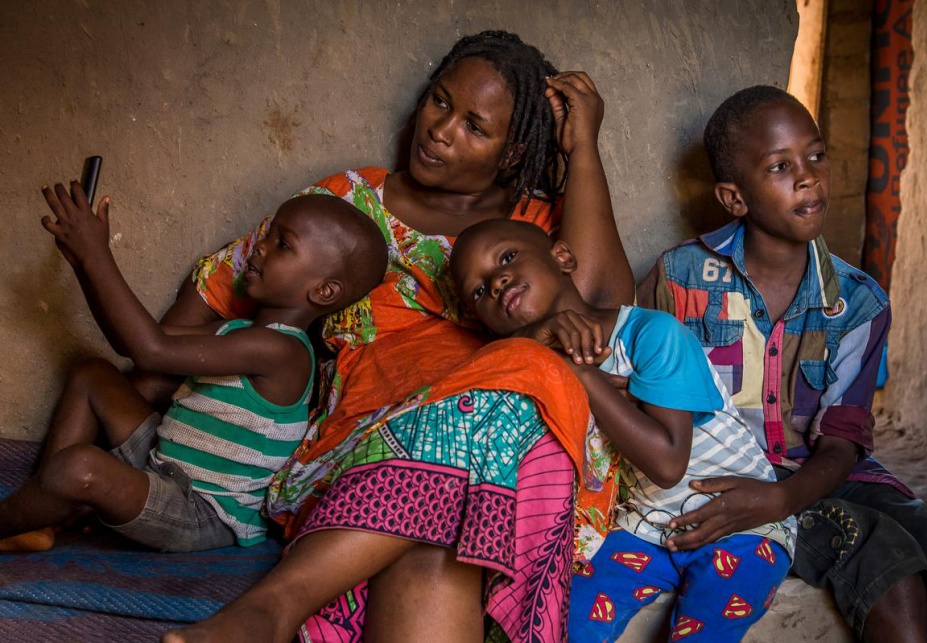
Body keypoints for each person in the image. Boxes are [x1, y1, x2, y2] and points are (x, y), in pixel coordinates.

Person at [158, 30, 633, 643]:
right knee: (438, 540)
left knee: (523, 370)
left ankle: (271, 609)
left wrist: (585, 150)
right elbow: (205, 302)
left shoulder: (533, 228)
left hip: (513, 458)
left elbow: (601, 314)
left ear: (513, 155)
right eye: (440, 102)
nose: (441, 130)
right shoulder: (351, 207)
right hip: (369, 449)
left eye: (475, 127)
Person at [637, 85, 927, 642]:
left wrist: (783, 497)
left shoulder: (860, 302)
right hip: (723, 478)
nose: (808, 176)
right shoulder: (679, 278)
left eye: (815, 156)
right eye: (780, 166)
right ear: (734, 198)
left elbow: (841, 444)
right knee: (887, 560)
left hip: (823, 474)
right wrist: (765, 498)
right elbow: (635, 384)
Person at [450, 217, 795, 642]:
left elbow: (668, 463)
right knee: (563, 624)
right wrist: (537, 351)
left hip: (738, 519)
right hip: (645, 528)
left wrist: (584, 376)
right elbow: (469, 391)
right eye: (480, 290)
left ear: (561, 257)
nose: (497, 282)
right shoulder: (525, 368)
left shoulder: (652, 334)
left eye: (507, 257)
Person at [0, 187, 387, 554]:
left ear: (324, 292)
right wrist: (84, 263)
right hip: (163, 464)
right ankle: (44, 518)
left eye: (282, 244)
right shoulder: (240, 332)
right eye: (267, 236)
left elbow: (152, 351)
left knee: (81, 466)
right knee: (92, 374)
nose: (260, 247)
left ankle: (34, 510)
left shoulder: (282, 351)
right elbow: (133, 341)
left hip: (201, 511)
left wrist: (96, 256)